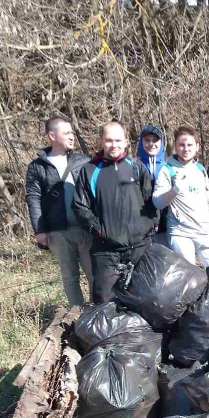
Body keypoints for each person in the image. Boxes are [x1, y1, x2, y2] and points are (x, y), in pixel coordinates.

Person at [73, 121, 157, 304]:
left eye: (118, 140)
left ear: (126, 141)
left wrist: (149, 225)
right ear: (102, 141)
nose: (114, 145)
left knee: (145, 301)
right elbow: (80, 207)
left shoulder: (136, 167)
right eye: (109, 140)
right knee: (105, 302)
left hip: (140, 247)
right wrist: (101, 231)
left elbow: (151, 201)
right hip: (106, 250)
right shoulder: (89, 171)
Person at [25, 117, 92, 306]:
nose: (72, 137)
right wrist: (39, 230)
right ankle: (77, 315)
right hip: (58, 231)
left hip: (85, 228)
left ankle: (98, 315)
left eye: (72, 132)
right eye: (67, 133)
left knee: (94, 274)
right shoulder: (37, 167)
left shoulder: (83, 161)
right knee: (70, 278)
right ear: (52, 136)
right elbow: (33, 199)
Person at [153, 125, 209, 267]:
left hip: (205, 232)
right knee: (189, 276)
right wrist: (174, 190)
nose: (186, 149)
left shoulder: (200, 169)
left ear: (197, 147)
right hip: (180, 233)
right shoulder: (168, 170)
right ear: (176, 146)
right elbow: (157, 202)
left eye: (190, 145)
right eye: (181, 145)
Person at [137, 124, 169, 246]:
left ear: (161, 142)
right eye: (147, 140)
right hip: (143, 225)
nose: (151, 144)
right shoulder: (135, 165)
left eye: (155, 140)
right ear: (141, 142)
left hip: (166, 225)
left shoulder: (168, 167)